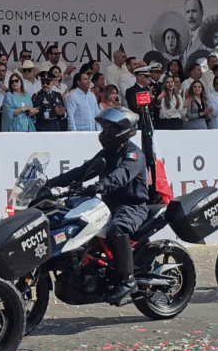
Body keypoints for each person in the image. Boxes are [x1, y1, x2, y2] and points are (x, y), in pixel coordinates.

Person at [45, 107, 148, 305]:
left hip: (133, 206)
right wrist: (51, 183)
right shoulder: (107, 153)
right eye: (104, 128)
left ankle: (127, 281)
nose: (105, 132)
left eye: (109, 128)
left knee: (118, 229)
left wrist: (101, 185)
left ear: (122, 130)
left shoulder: (133, 154)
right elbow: (82, 171)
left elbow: (122, 175)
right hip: (109, 206)